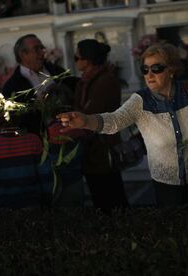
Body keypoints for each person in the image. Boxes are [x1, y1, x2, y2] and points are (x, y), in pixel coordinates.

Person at [57, 42, 188, 207]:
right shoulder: (140, 101)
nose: (149, 74)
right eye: (145, 69)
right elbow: (115, 120)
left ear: (171, 70)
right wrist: (86, 120)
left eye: (156, 68)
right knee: (174, 229)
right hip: (167, 182)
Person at [73, 39, 129, 212]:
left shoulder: (104, 80)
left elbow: (91, 112)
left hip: (103, 150)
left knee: (110, 199)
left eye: (77, 57)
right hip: (92, 151)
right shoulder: (87, 80)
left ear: (87, 60)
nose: (75, 61)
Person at [2, 33, 77, 135]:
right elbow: (15, 119)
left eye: (42, 48)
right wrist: (36, 106)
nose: (42, 52)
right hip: (40, 138)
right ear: (23, 54)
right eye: (37, 49)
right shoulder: (12, 86)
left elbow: (75, 87)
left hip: (71, 129)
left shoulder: (55, 70)